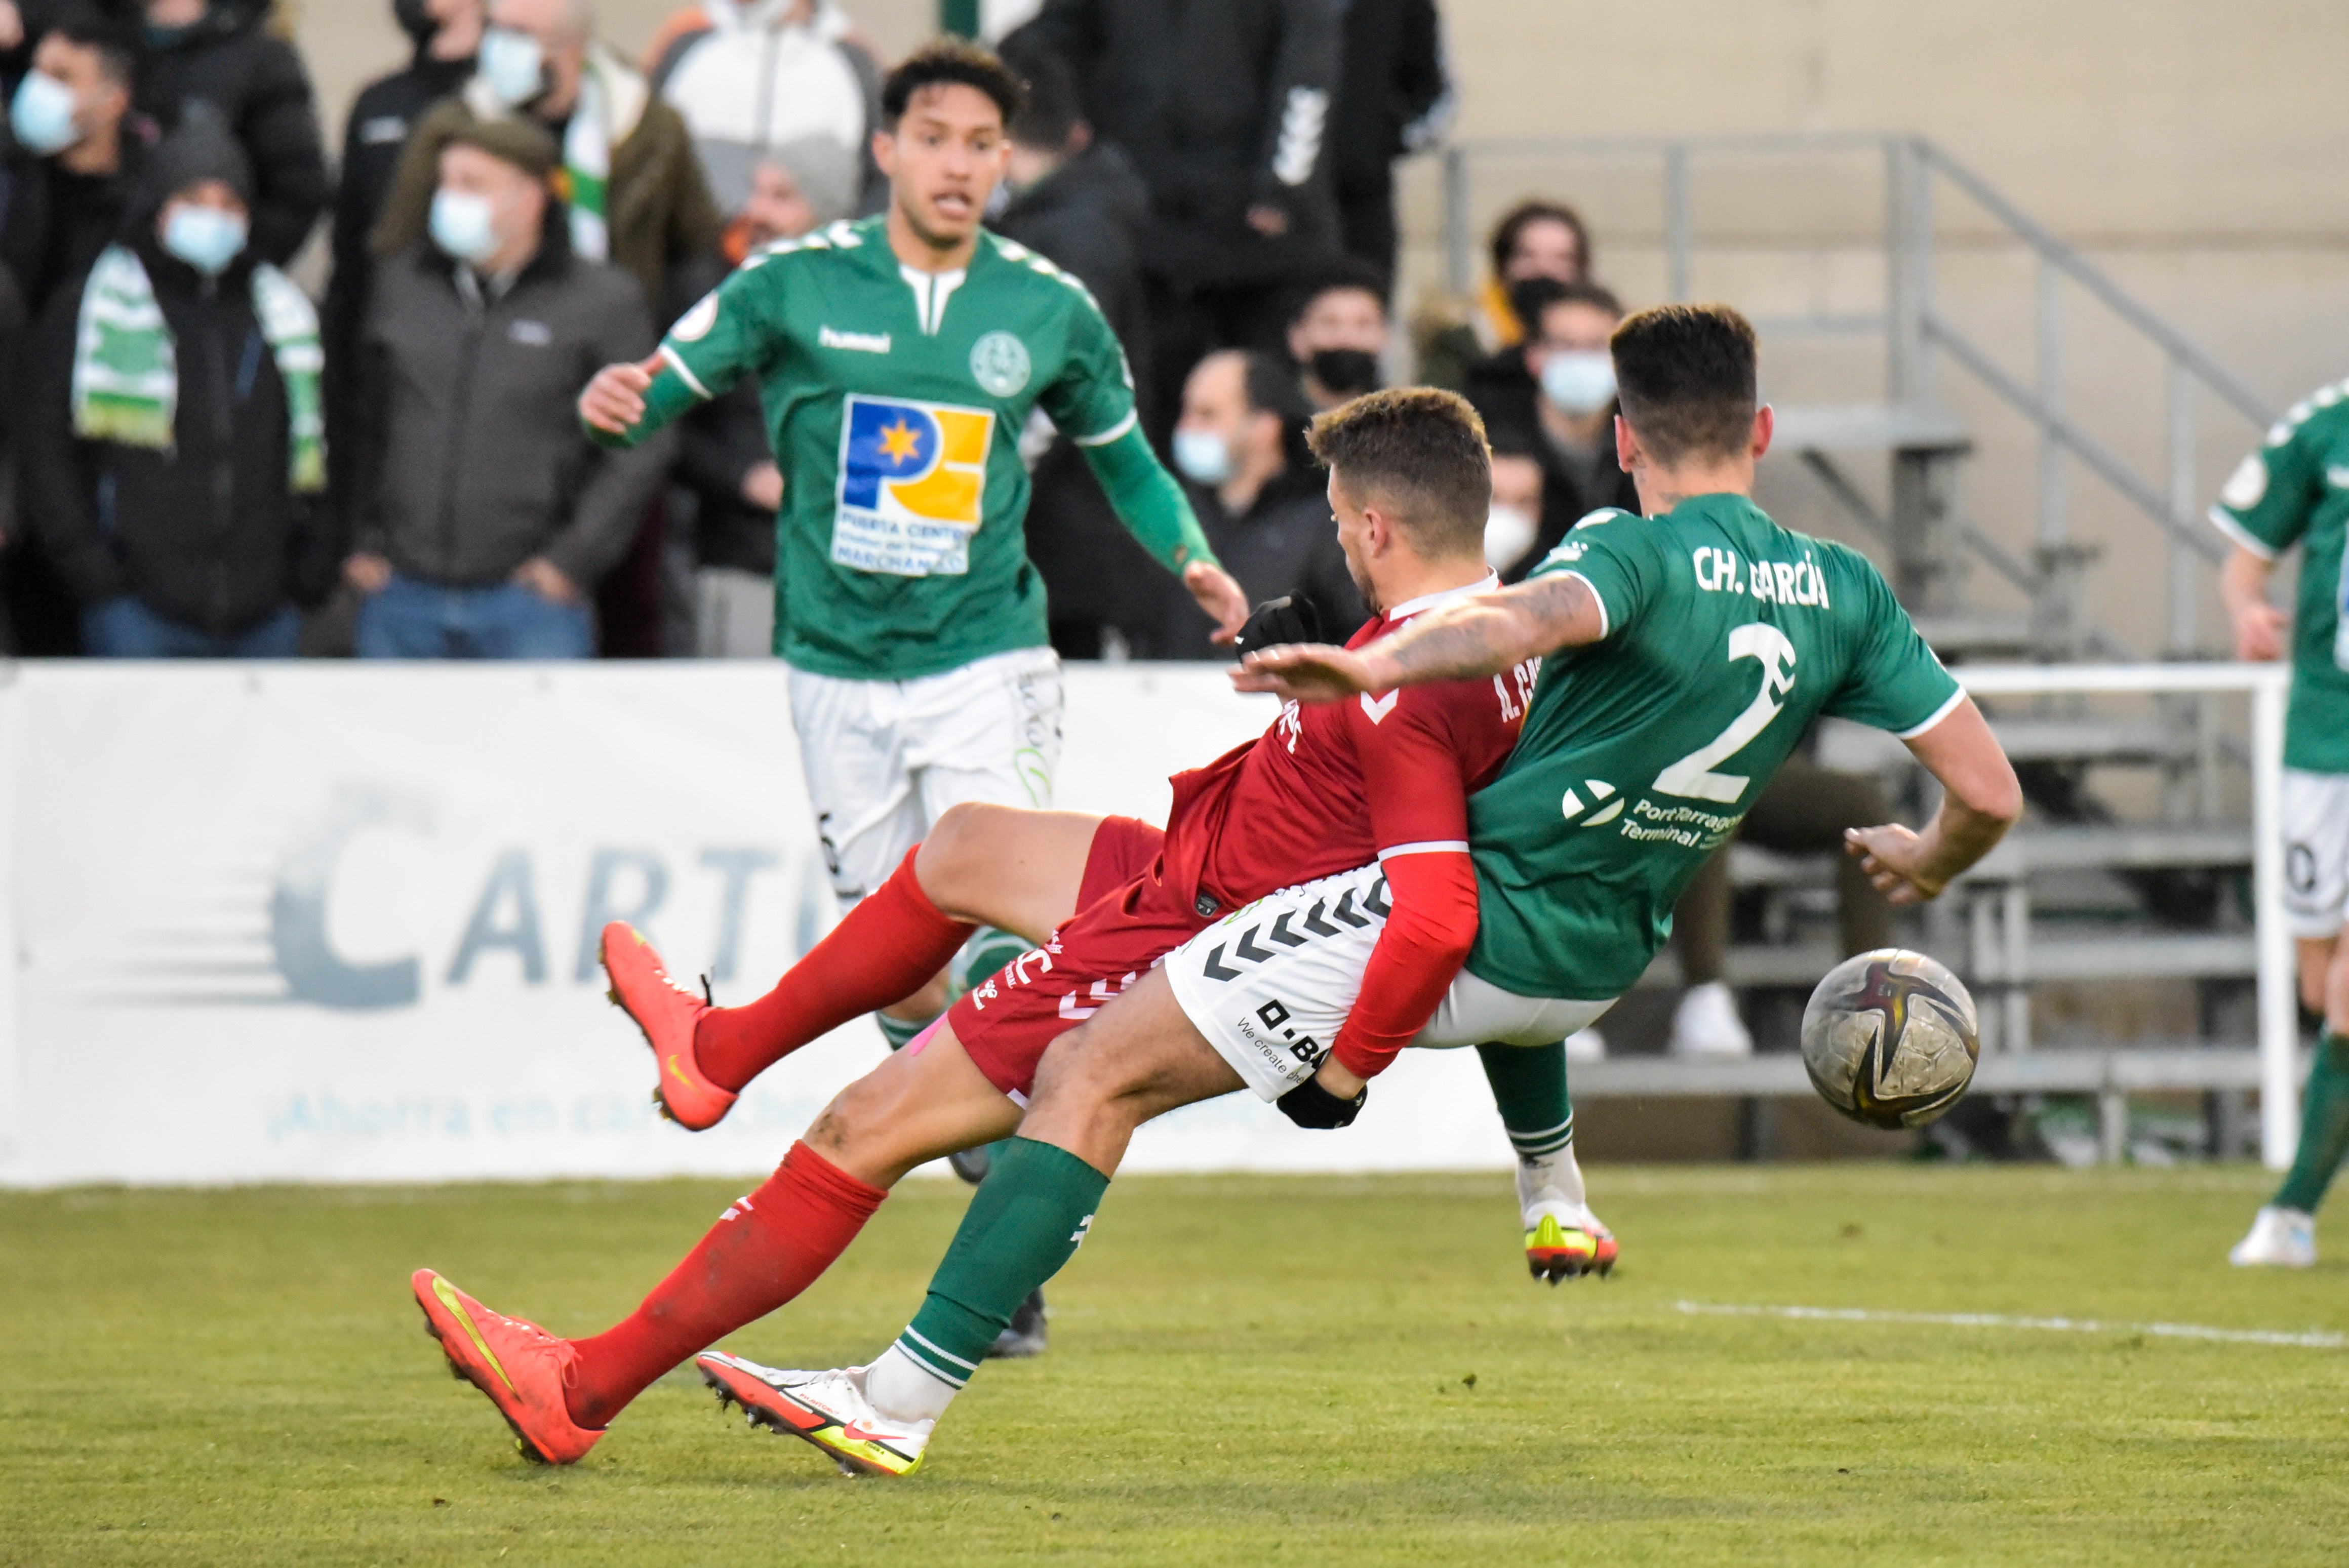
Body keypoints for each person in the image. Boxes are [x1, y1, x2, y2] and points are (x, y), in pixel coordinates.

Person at [695, 302, 2022, 1478]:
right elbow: (1986, 792)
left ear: (1622, 439)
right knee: (1117, 1008)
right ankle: (1550, 1187)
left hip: (1453, 925)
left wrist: (1375, 671)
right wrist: (1924, 858)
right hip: (1591, 964)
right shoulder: (1842, 591)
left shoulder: (1629, 550)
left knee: (1091, 1069)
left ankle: (896, 1399)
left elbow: (1513, 620)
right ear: (1762, 429)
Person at [410, 387, 1606, 1465]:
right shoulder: (1498, 638)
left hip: (1196, 928)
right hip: (1195, 869)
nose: (1340, 541)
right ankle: (713, 1054)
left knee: (861, 1124)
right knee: (968, 843)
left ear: (1378, 530)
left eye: (1344, 524)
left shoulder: (1410, 675)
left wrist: (1344, 1066)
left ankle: (583, 1383)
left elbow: (1428, 893)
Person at [574, 42, 1247, 1220]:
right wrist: (615, 404)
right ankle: (992, 1171)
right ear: (886, 150)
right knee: (911, 977)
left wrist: (1189, 554)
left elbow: (1123, 457)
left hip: (985, 656)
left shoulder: (1049, 308)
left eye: (980, 144)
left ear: (1004, 162)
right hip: (836, 668)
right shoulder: (791, 284)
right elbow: (659, 391)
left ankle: (1034, 1197)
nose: (956, 163)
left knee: (1002, 924)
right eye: (932, 137)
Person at [343, 114, 671, 658]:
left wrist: (572, 560)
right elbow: (362, 417)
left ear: (532, 197)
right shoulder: (403, 286)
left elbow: (643, 441)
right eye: (446, 183)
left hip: (529, 602)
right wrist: (359, 541)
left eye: (473, 185)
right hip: (399, 593)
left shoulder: (600, 302)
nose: (451, 199)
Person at [26, 102, 334, 655]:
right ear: (157, 207)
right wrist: (94, 574)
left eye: (229, 204)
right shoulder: (90, 306)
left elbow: (335, 442)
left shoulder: (285, 314)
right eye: (193, 201)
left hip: (266, 612)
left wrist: (306, 571)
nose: (212, 217)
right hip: (136, 612)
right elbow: (49, 449)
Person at [1004, 0, 1340, 437]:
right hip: (1148, 233)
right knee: (1152, 409)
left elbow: (1307, 74)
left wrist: (1283, 189)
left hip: (1256, 242)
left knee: (1265, 411)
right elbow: (1049, 40)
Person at [2212, 379, 2349, 1268]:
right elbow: (2245, 549)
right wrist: (2243, 608)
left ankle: (2290, 1210)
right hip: (2320, 736)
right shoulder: (2324, 425)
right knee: (2318, 981)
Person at [990, 50, 1159, 660]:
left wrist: (992, 484)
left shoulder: (1069, 239)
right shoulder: (1071, 221)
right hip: (1065, 534)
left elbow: (1061, 389)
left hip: (1068, 543)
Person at [676, 142, 852, 658]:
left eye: (782, 197)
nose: (757, 211)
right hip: (741, 559)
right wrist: (743, 478)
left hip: (845, 573)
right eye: (757, 191)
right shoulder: (711, 292)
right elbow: (667, 429)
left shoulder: (874, 304)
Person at [323, 0, 483, 537]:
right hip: (383, 355)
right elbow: (349, 255)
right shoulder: (379, 103)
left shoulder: (506, 103)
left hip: (488, 354)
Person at [1667, 751, 1900, 1057]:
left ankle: (1870, 1001)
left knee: (1863, 807)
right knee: (1711, 784)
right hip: (1670, 765)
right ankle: (1703, 991)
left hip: (1759, 761)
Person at [1159, 348, 1366, 656]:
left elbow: (1357, 637)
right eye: (1186, 412)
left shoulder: (1326, 525)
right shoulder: (1175, 515)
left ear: (1264, 426)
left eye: (1207, 415)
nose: (1187, 428)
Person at [643, 0, 882, 230]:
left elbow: (879, 177)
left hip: (816, 258)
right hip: (708, 257)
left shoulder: (852, 60)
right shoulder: (686, 44)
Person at [133, 0, 329, 269]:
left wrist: (240, 271)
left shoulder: (259, 58)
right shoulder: (105, 35)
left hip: (219, 280)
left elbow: (298, 187)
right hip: (106, 275)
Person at [1466, 278, 1640, 569]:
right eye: (1565, 345)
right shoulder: (1490, 448)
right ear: (1535, 356)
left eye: (1596, 346)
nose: (1580, 359)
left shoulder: (1645, 452)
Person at [1325, 0, 1449, 286]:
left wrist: (1377, 143)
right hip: (1268, 197)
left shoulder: (1404, 7)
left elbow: (1435, 91)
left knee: (1365, 297)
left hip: (1364, 190)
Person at [1416, 197, 1591, 393]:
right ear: (1502, 267)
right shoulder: (1463, 342)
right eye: (1528, 256)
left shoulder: (1607, 347)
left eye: (1561, 259)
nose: (1544, 269)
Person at [1286, 255, 1388, 413]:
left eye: (1364, 324)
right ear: (1297, 337)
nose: (1347, 339)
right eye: (1330, 323)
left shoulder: (1402, 423)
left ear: (1385, 336)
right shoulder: (1273, 423)